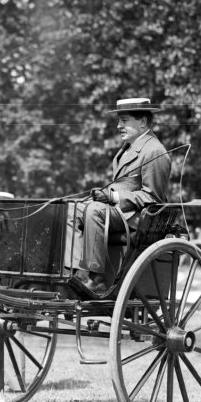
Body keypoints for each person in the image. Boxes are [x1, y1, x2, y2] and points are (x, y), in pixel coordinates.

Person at [71, 97, 172, 298]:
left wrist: (114, 197)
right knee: (71, 208)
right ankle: (74, 272)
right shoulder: (127, 149)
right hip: (118, 213)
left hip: (136, 219)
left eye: (124, 121)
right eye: (119, 121)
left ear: (142, 121)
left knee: (94, 211)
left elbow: (153, 198)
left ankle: (97, 279)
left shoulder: (155, 151)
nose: (119, 126)